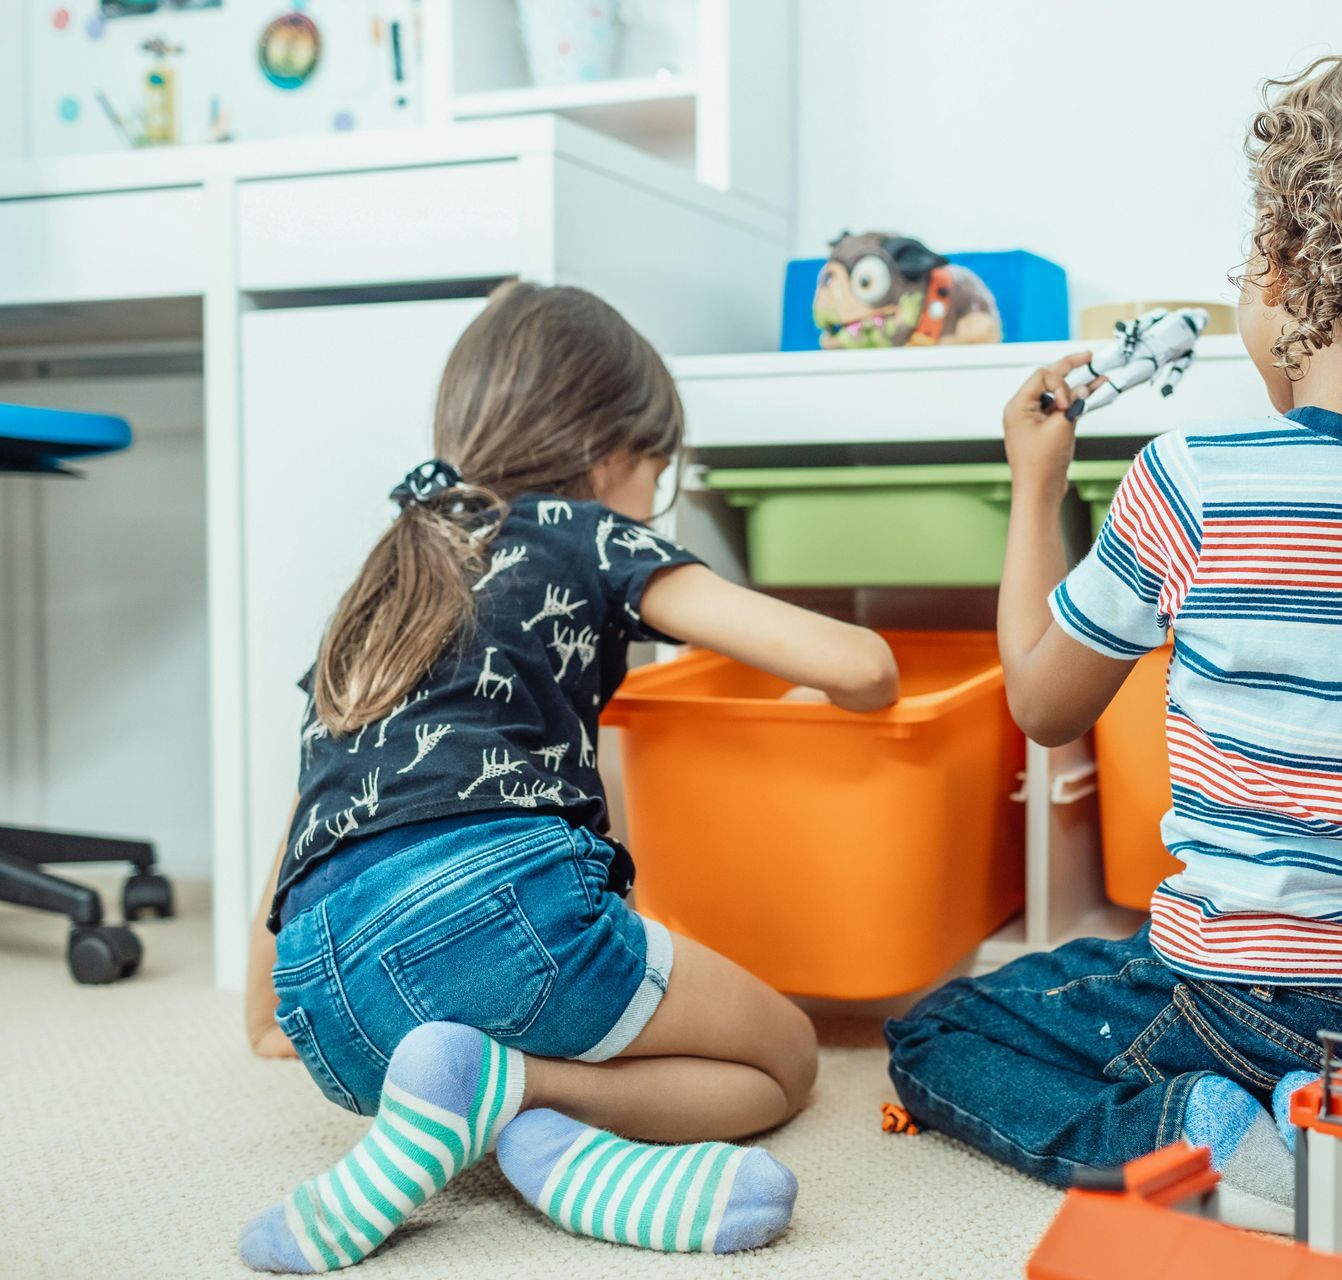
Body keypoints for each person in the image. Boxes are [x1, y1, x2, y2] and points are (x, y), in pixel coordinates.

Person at [885, 33, 1342, 1223]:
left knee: (940, 1026)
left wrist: (1033, 483)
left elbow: (1043, 703)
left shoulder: (1196, 478)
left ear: (1283, 264)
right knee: (1112, 993)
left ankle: (1206, 1131)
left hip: (1259, 995)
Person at [239, 282, 900, 1271]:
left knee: (498, 1016)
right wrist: (840, 693)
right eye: (658, 472)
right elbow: (864, 665)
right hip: (505, 913)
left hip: (327, 1003)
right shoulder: (583, 527)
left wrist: (266, 1011)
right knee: (784, 1058)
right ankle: (526, 1092)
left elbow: (307, 805)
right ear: (611, 455)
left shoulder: (388, 573)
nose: (652, 499)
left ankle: (487, 1113)